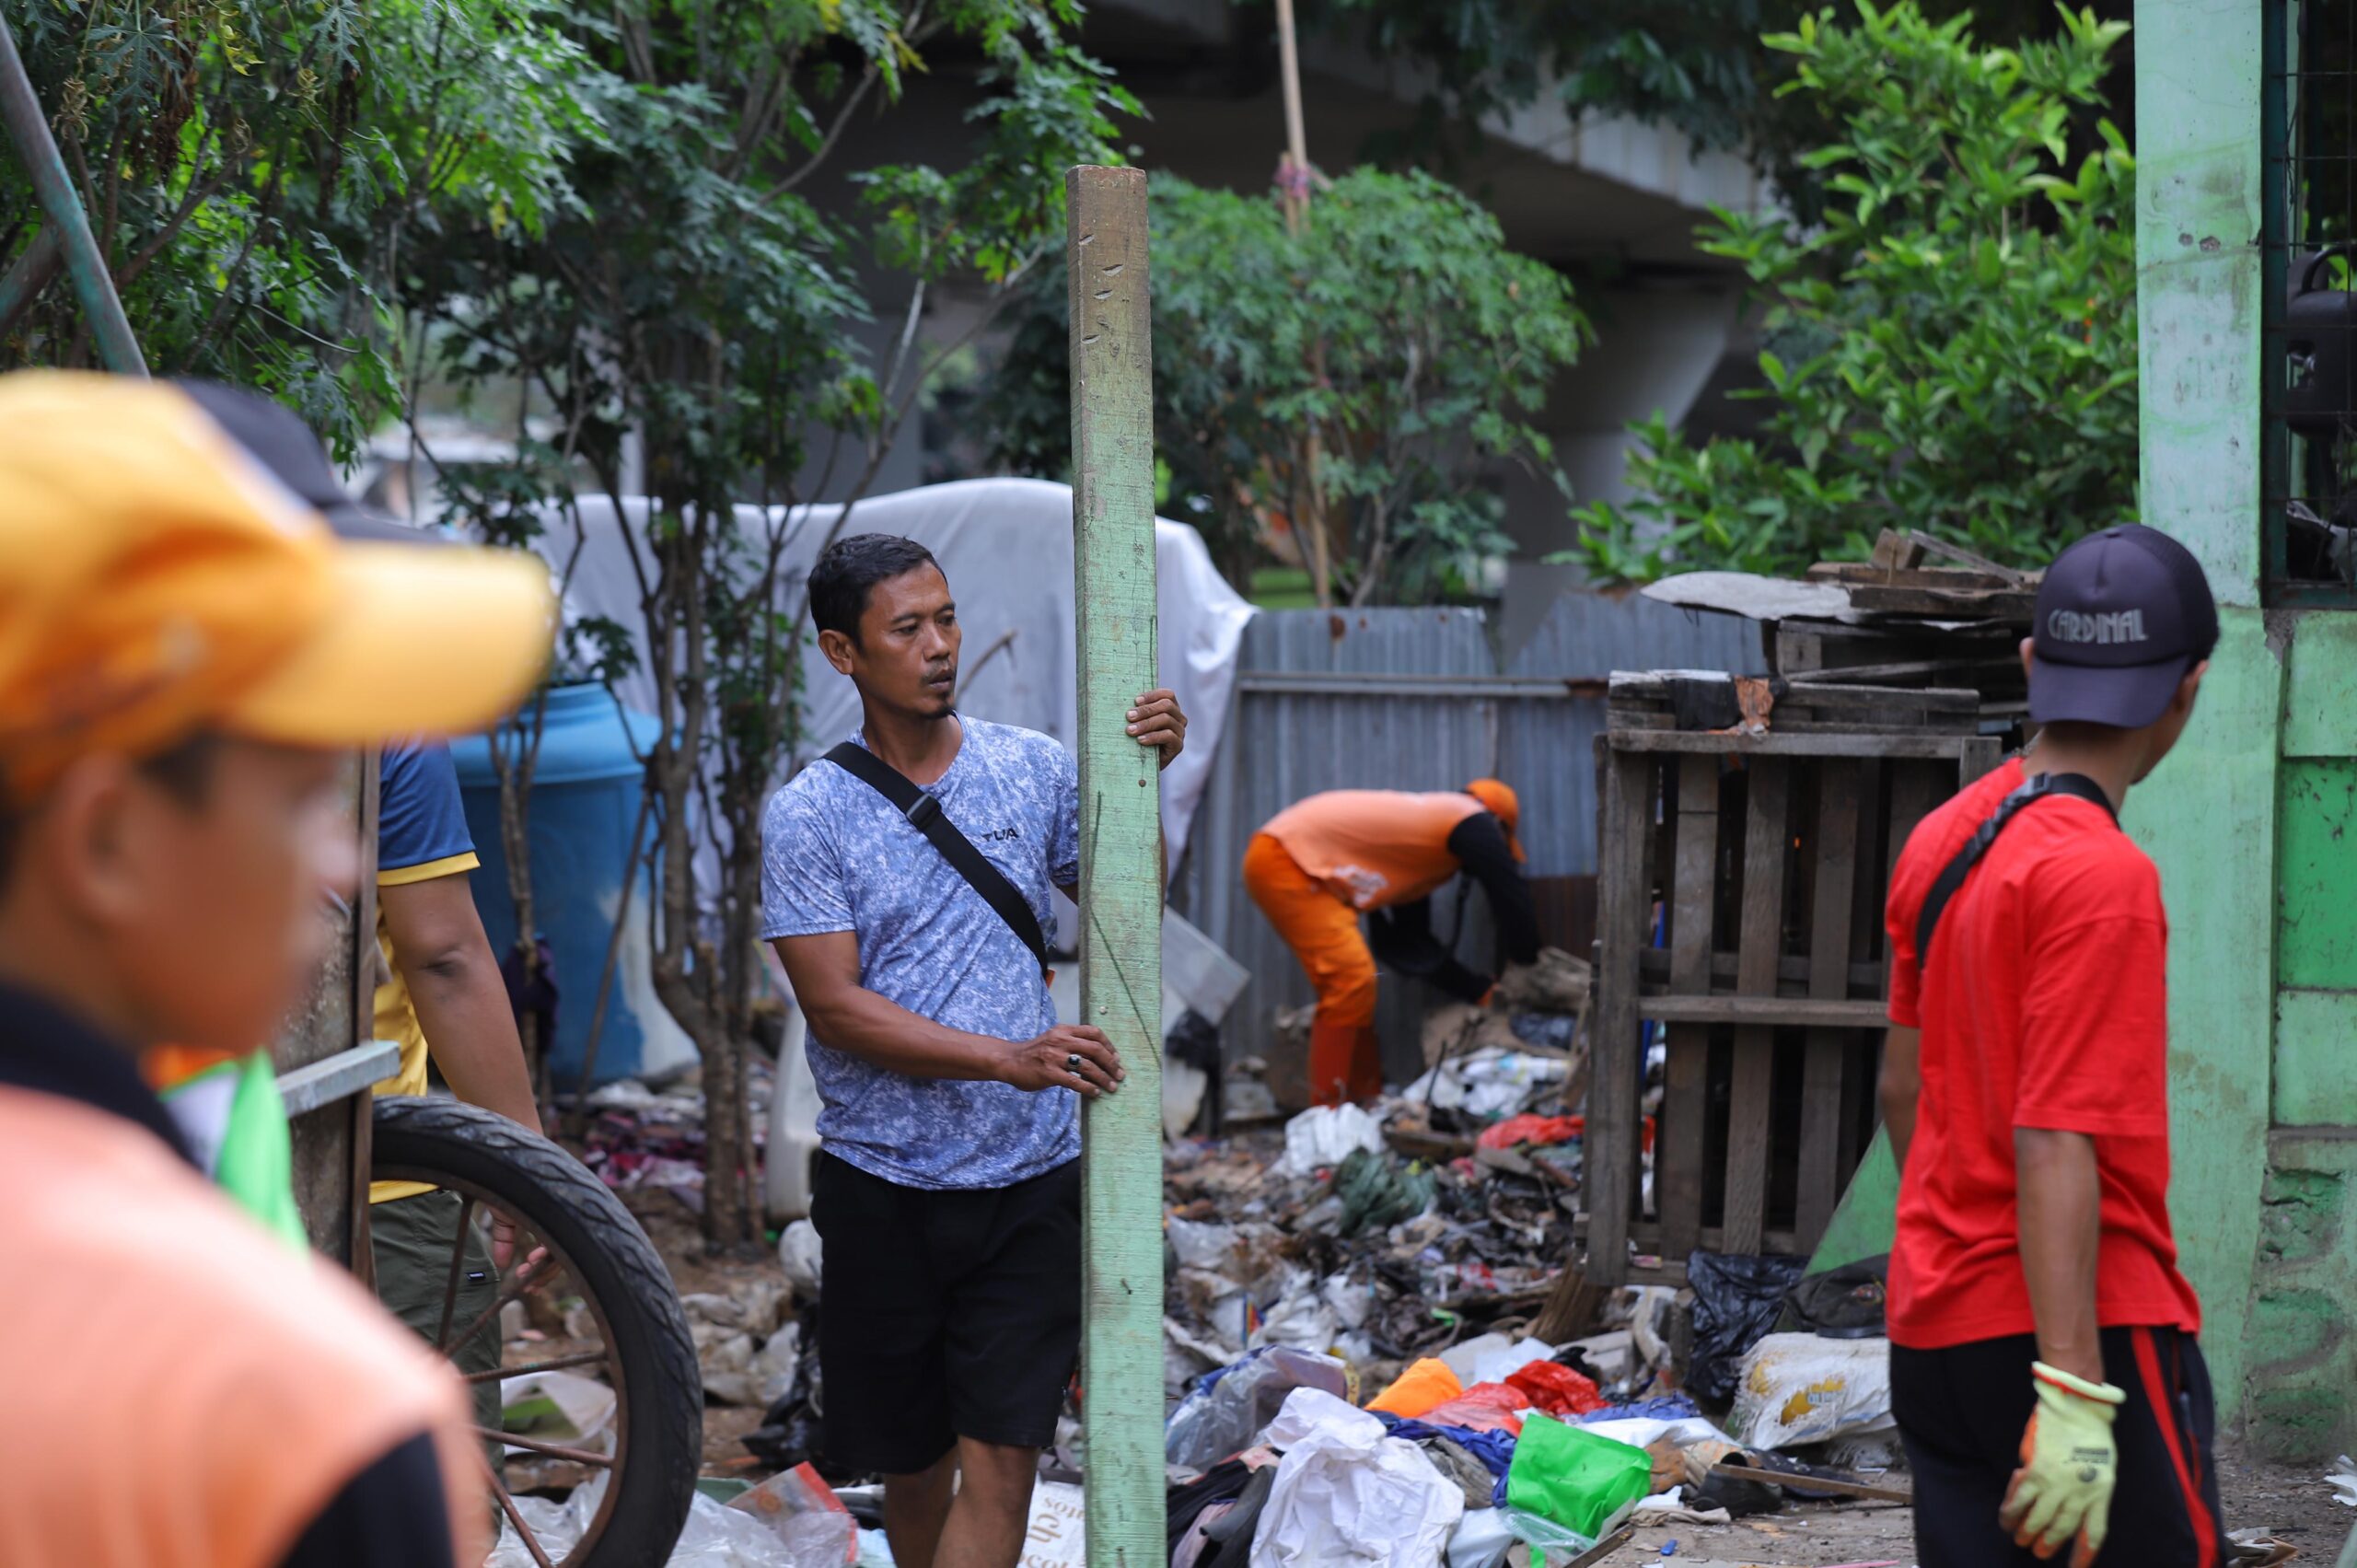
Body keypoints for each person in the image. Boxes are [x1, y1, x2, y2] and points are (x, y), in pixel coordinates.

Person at [0, 371, 552, 1566]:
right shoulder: (299, 1416)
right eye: (305, 796)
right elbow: (446, 946)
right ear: (106, 837)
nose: (343, 858)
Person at [761, 533, 1185, 1568]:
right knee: (913, 1465)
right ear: (842, 651)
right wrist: (1008, 1055)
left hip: (1029, 1184)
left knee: (1004, 1461)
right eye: (906, 629)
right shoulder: (807, 814)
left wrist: (1144, 786)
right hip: (882, 1187)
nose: (939, 645)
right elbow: (836, 1008)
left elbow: (1138, 902)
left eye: (944, 618)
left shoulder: (1031, 768)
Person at [1879, 524, 2228, 1568]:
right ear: (2188, 688)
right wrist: (2073, 1391)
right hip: (2078, 1336)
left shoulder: (1941, 840)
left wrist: (1958, 1247)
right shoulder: (2101, 880)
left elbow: (1903, 1087)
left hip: (1935, 1330)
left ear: (2032, 665)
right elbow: (2054, 1138)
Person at [1242, 782, 1540, 1106]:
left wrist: (1479, 990)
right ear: (1499, 825)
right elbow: (1511, 894)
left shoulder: (1424, 840)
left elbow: (1411, 948)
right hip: (1287, 858)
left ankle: (1364, 1100)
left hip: (1289, 857)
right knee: (1352, 980)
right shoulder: (1472, 819)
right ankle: (1328, 1113)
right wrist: (1530, 965)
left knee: (1356, 985)